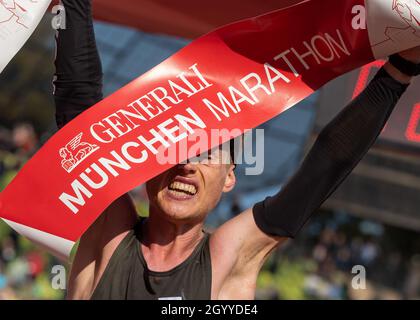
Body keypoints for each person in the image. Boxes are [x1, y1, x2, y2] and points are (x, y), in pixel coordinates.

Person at [54, 1, 420, 300]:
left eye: (206, 153)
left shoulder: (227, 260)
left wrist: (401, 69)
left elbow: (319, 171)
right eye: (173, 149)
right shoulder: (109, 234)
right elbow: (80, 117)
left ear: (230, 177)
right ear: (147, 165)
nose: (185, 163)